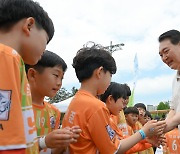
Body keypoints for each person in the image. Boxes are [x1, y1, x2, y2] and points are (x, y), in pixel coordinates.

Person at [62, 42, 166, 154]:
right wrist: (143, 132)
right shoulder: (96, 107)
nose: (110, 81)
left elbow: (115, 142)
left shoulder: (76, 101)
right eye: (110, 75)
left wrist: (144, 139)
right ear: (100, 72)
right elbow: (113, 150)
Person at [0, 0, 54, 153]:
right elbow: (6, 142)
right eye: (46, 40)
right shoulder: (7, 56)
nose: (44, 49)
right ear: (29, 25)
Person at [25, 50, 82, 154]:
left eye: (62, 78)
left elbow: (51, 151)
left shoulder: (54, 112)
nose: (59, 83)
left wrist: (64, 141)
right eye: (56, 75)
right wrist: (44, 142)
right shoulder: (15, 107)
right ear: (32, 74)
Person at [158, 29, 180, 132]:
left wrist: (158, 130)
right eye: (161, 55)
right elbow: (174, 109)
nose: (164, 58)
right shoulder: (175, 79)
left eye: (166, 51)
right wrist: (161, 127)